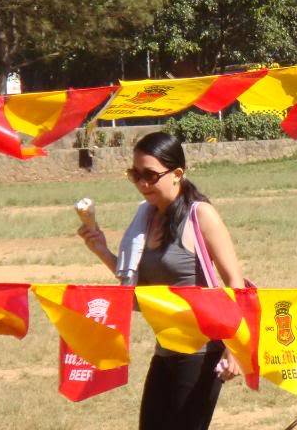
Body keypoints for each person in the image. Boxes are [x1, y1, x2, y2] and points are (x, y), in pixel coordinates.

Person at [78, 131, 244, 430]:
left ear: (177, 173)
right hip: (165, 349)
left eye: (151, 176)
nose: (142, 184)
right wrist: (101, 250)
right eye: (135, 174)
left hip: (201, 353)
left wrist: (235, 348)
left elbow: (234, 280)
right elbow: (138, 286)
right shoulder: (146, 217)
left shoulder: (201, 215)